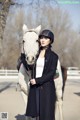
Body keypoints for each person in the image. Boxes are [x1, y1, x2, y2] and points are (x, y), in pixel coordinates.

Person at [24, 29, 58, 120]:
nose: (43, 40)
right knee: (36, 114)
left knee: (46, 115)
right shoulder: (36, 53)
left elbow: (51, 73)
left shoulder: (54, 56)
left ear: (50, 40)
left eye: (46, 38)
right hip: (35, 87)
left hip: (47, 88)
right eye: (41, 38)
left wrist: (37, 80)